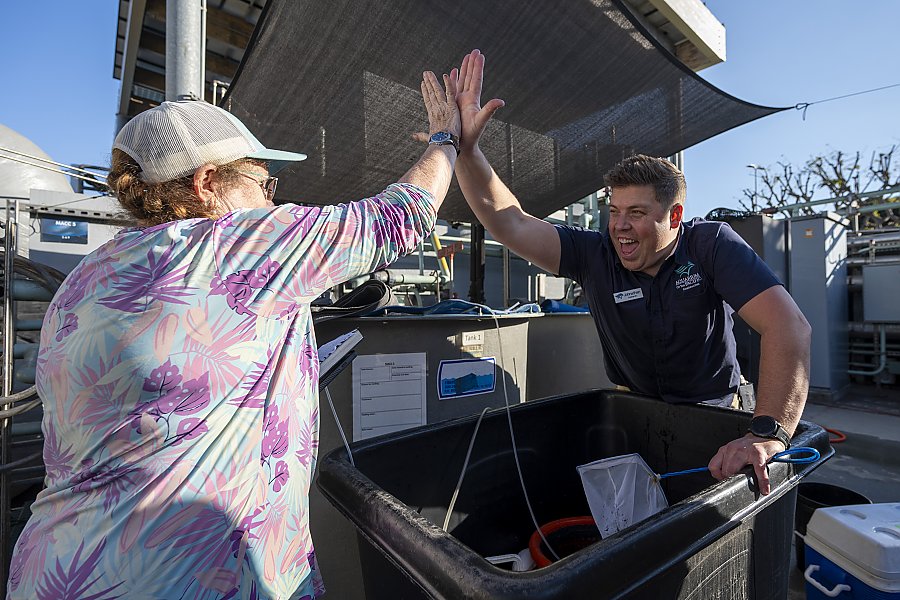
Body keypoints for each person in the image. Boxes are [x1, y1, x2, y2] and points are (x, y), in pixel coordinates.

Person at [8, 64, 462, 599]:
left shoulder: (83, 278)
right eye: (263, 182)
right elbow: (400, 218)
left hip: (57, 571)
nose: (272, 199)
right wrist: (446, 138)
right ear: (206, 184)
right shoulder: (234, 247)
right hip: (194, 580)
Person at [451, 50, 812, 496]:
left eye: (637, 213)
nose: (619, 225)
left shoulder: (711, 245)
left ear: (675, 215)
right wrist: (465, 150)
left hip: (714, 417)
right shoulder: (593, 254)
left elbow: (788, 327)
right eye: (614, 210)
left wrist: (766, 434)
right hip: (635, 417)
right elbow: (510, 221)